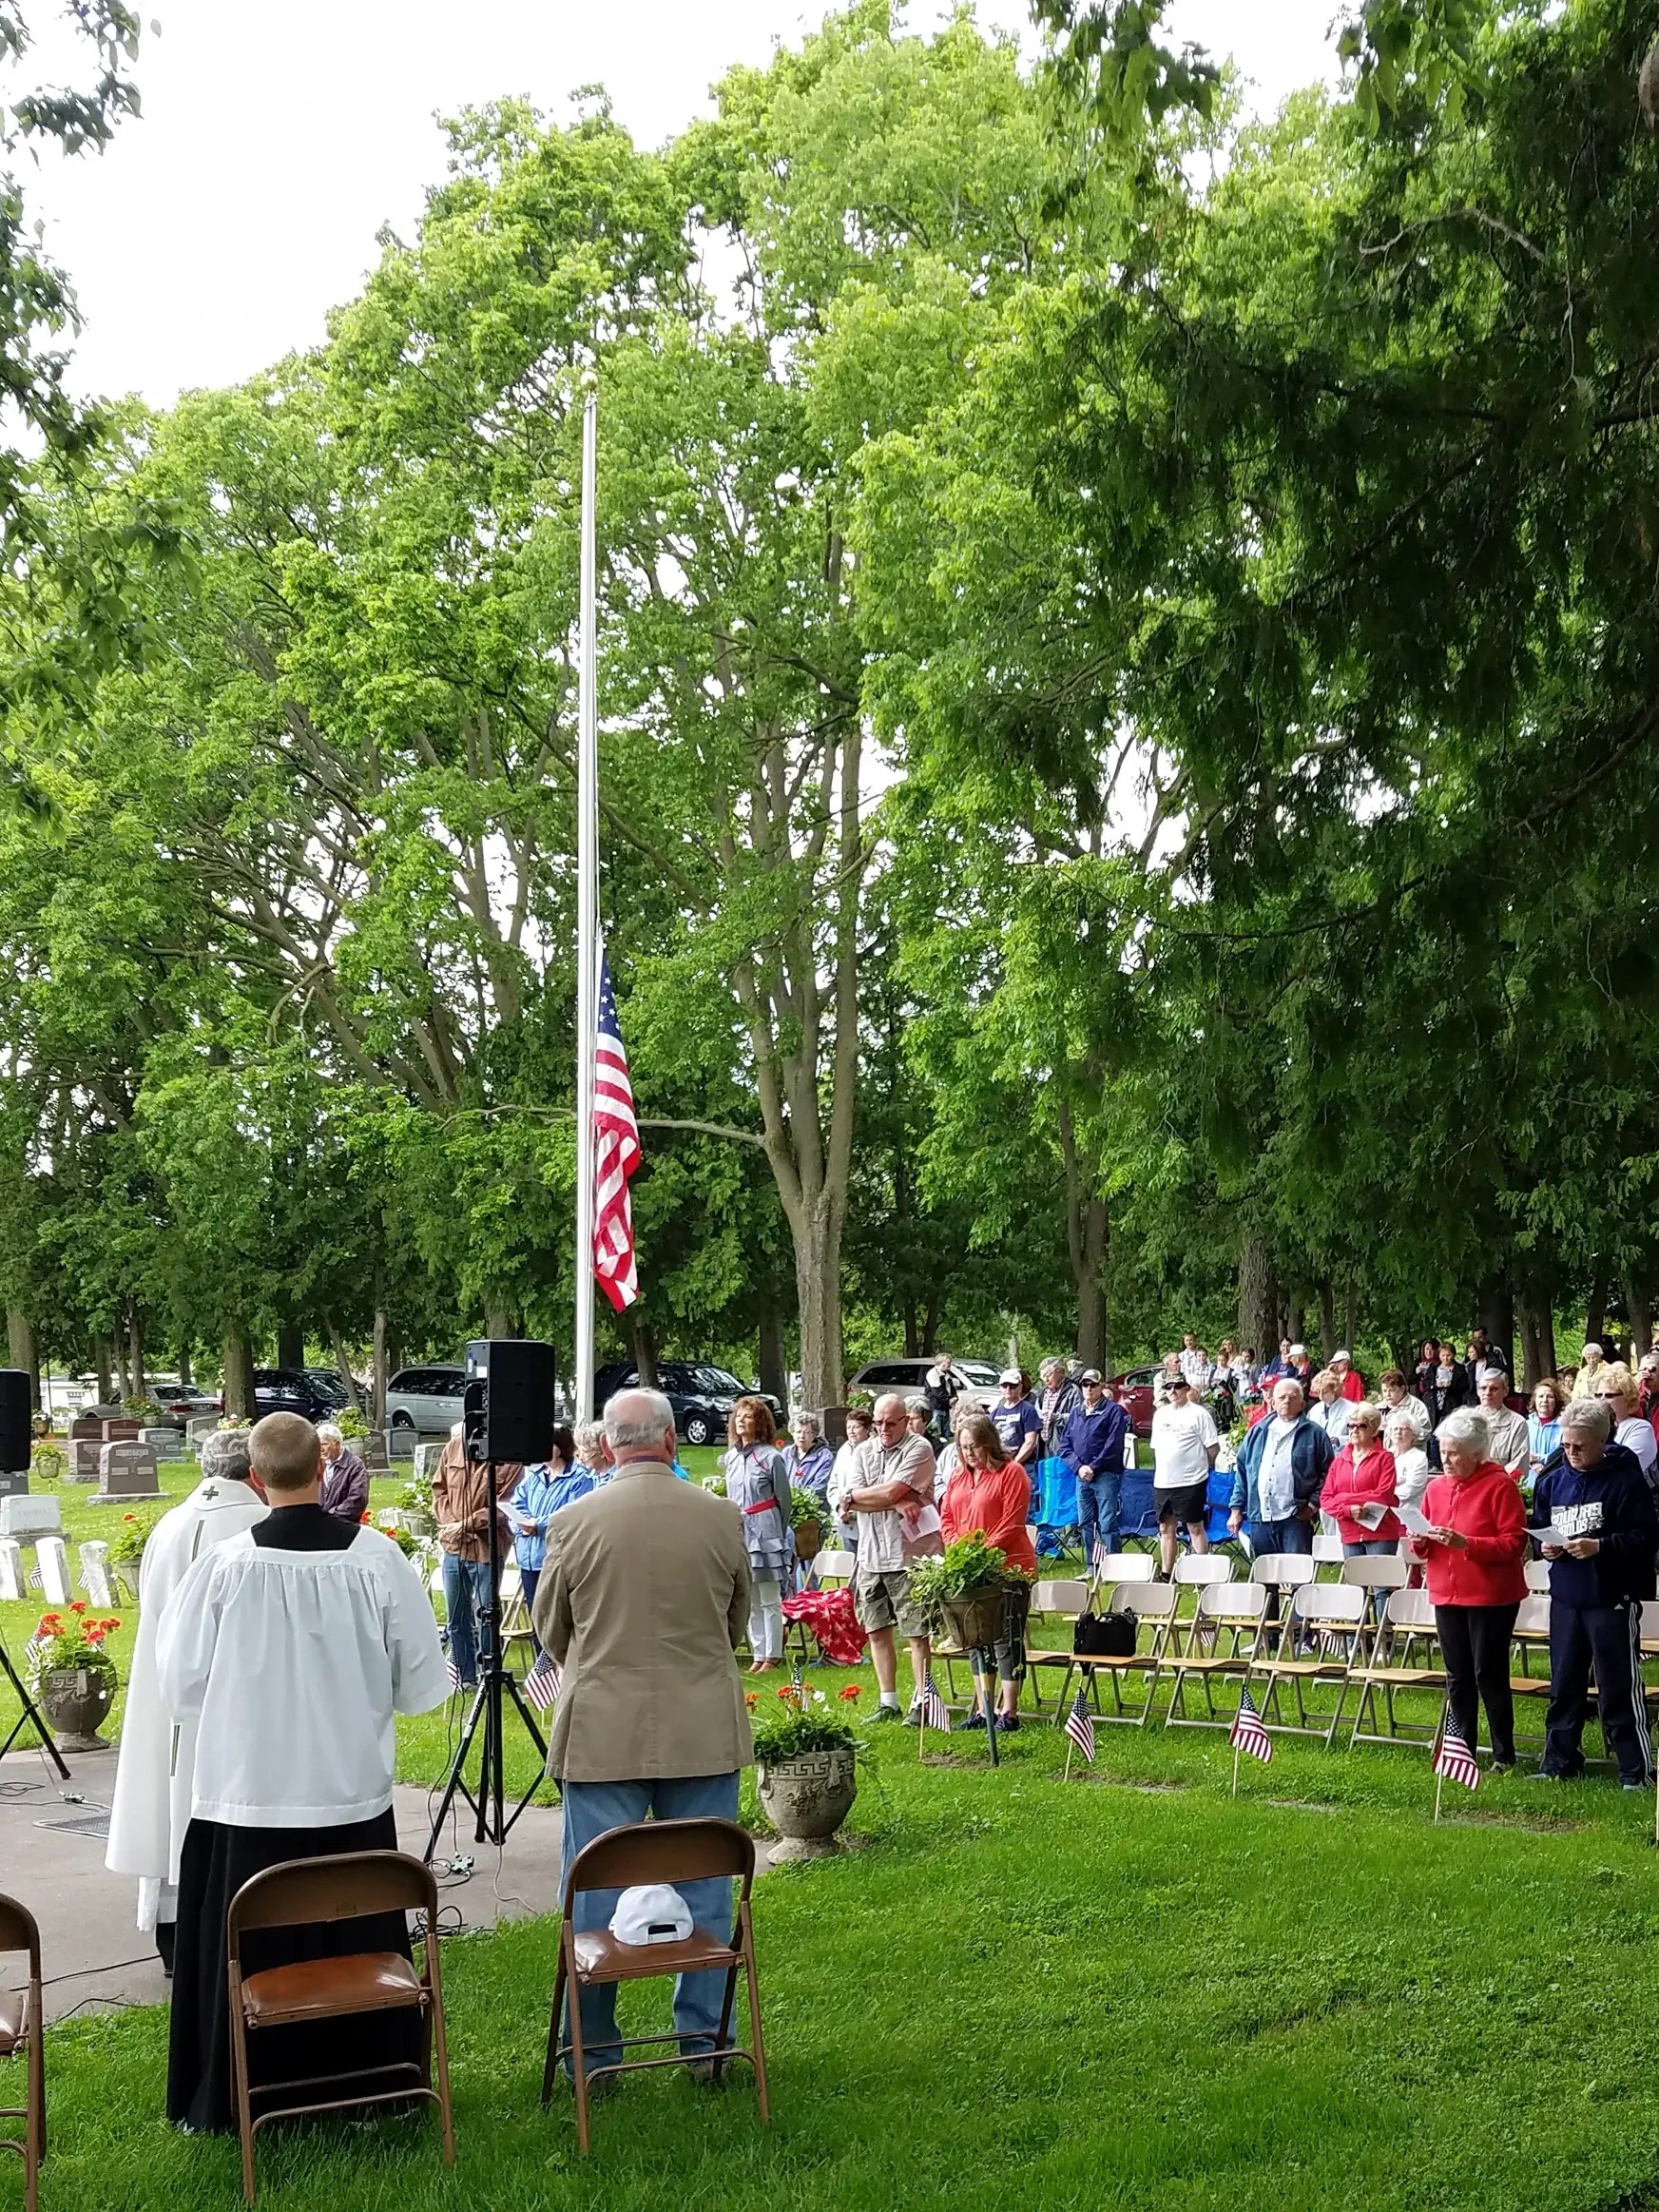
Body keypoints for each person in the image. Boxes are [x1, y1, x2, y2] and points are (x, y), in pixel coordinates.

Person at [155, 1410, 449, 2132]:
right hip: (345, 1797)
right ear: (324, 1468)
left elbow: (181, 1687)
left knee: (245, 1945)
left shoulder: (222, 1567)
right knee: (356, 1939)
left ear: (255, 1480)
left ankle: (238, 2096)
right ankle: (370, 2088)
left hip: (246, 1798)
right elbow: (419, 1684)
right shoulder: (378, 1559)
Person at [530, 1387, 752, 2083]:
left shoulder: (573, 1521)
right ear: (669, 1441)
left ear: (607, 1446)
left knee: (595, 1895)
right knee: (709, 1892)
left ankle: (593, 2054)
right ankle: (707, 2050)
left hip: (603, 1729)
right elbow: (737, 1625)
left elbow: (550, 1630)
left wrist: (601, 1668)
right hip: (701, 1724)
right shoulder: (719, 1517)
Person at [105, 1428, 271, 1976]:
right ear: (254, 1473)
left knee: (168, 1802)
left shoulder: (171, 1522)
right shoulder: (255, 1529)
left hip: (167, 1693)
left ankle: (172, 1932)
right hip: (234, 1700)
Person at [1531, 1395, 1659, 1786]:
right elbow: (1537, 1528)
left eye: (1580, 1446)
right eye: (1566, 1445)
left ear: (1601, 1443)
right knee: (1564, 1682)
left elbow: (1646, 1537)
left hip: (1611, 1597)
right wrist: (1546, 1547)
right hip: (1566, 1597)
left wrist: (1600, 1546)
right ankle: (1559, 1761)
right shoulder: (1553, 1481)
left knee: (1618, 1684)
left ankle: (1635, 1771)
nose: (1571, 1452)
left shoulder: (1625, 1479)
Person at [1409, 1407, 1529, 1774]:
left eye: (1454, 1453)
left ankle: (1503, 1754)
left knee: (1488, 1674)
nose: (1445, 1459)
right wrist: (1419, 1541)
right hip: (1446, 1592)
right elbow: (1425, 1543)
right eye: (1443, 1451)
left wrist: (1468, 1544)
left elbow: (1514, 1544)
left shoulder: (1499, 1485)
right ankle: (1463, 1749)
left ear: (1477, 1454)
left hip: (1491, 1595)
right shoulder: (1435, 1487)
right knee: (1457, 1675)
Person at [834, 1390, 939, 1723]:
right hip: (870, 1554)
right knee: (876, 1629)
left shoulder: (919, 1448)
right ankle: (888, 1700)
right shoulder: (863, 1451)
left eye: (890, 1423)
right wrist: (892, 1501)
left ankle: (922, 1702)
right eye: (877, 1423)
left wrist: (876, 1497)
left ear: (906, 1421)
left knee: (916, 1632)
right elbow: (849, 1499)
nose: (882, 1429)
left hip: (907, 1555)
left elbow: (891, 1489)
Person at [939, 1414, 1036, 1735]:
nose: (969, 1453)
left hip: (1008, 1567)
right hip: (970, 1571)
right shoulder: (957, 1477)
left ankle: (1009, 1710)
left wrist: (982, 1553)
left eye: (975, 1447)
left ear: (989, 1444)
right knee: (976, 1638)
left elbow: (1012, 1521)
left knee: (1005, 1637)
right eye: (964, 1447)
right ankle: (983, 1707)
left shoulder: (1012, 1473)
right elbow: (948, 1517)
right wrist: (957, 1548)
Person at [433, 1420, 522, 1693]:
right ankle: (464, 1676)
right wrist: (452, 1526)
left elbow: (504, 1506)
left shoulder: (509, 1459)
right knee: (456, 1616)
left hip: (486, 1548)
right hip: (453, 1548)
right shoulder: (454, 1447)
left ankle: (488, 1674)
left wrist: (465, 1525)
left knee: (487, 1613)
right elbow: (439, 1490)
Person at [1227, 1377, 1335, 1562]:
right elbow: (1243, 1473)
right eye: (1282, 1397)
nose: (1286, 1401)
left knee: (1298, 1575)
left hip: (1295, 1517)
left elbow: (1330, 1473)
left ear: (1302, 1404)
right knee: (1265, 1576)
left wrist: (1312, 1504)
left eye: (1292, 1397)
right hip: (1260, 1517)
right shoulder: (1257, 1432)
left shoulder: (1314, 1434)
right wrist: (1236, 1509)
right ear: (1273, 1402)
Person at [722, 1396, 790, 1675]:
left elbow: (784, 1501)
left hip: (766, 1531)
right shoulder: (731, 1459)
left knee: (770, 1595)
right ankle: (758, 1652)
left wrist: (776, 1532)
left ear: (758, 1422)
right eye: (738, 1415)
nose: (741, 1420)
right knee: (749, 1597)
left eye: (747, 1416)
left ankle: (773, 1655)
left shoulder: (771, 1458)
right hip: (740, 1531)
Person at [507, 1424, 586, 1647]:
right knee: (536, 1617)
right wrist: (520, 1523)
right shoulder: (534, 1476)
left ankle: (557, 1671)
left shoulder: (579, 1478)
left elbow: (572, 1513)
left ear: (559, 1448)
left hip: (554, 1559)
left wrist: (538, 1525)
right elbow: (516, 1504)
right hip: (528, 1559)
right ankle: (540, 1674)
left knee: (555, 1619)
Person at [1057, 1368, 1129, 1565]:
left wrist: (1093, 1467)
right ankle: (1092, 1565)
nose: (1088, 1388)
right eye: (1085, 1384)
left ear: (1101, 1386)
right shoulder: (1076, 1412)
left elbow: (1114, 1445)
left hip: (1106, 1474)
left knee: (1107, 1522)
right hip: (1082, 1476)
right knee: (1085, 1522)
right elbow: (1064, 1446)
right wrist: (1079, 1467)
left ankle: (1115, 1566)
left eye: (1093, 1384)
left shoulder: (1113, 1411)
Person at [1150, 1371, 1217, 1577]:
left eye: (1177, 1386)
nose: (1173, 1391)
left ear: (1187, 1389)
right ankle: (1166, 1574)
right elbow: (1155, 1447)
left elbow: (1213, 1448)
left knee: (1195, 1527)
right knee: (1165, 1528)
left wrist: (1201, 1469)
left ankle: (1203, 1574)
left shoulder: (1199, 1413)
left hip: (1191, 1480)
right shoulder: (1160, 1414)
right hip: (1163, 1481)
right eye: (1169, 1387)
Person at [1321, 1402, 1399, 1559]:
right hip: (1349, 1533)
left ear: (1374, 1430)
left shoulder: (1385, 1458)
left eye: (1361, 1426)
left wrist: (1342, 1498)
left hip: (1380, 1533)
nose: (1354, 1430)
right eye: (1351, 1426)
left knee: (1382, 1583)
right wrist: (1347, 1510)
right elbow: (1325, 1500)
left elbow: (1383, 1496)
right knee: (1354, 1584)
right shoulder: (1339, 1461)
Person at [1594, 1363, 1659, 1480]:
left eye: (1609, 1395)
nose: (1602, 1400)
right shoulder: (1591, 1428)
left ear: (1627, 1398)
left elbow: (1624, 1468)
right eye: (1598, 1395)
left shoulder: (1640, 1428)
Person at [828, 1407, 873, 1548]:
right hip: (846, 1520)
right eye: (848, 1427)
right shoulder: (844, 1450)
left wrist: (856, 1508)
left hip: (868, 1519)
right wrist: (839, 1507)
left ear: (867, 1429)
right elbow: (833, 1484)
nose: (851, 1431)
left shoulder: (874, 1450)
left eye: (856, 1427)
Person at [1474, 1368, 1529, 1476]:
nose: (1487, 1393)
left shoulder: (1518, 1424)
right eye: (1483, 1388)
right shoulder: (1467, 1419)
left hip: (1501, 1486)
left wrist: (1492, 1481)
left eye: (1493, 1389)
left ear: (1505, 1391)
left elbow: (1518, 1466)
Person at [317, 1421, 370, 1526]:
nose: (320, 1449)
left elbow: (357, 1501)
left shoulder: (355, 1465)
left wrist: (330, 1516)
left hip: (343, 1528)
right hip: (319, 1527)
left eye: (324, 1444)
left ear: (337, 1444)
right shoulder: (317, 1463)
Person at [990, 1368, 1042, 1471]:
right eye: (1004, 1386)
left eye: (1012, 1386)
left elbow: (1030, 1443)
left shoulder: (1028, 1410)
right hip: (1000, 1465)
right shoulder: (995, 1412)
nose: (1008, 1389)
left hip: (1024, 1466)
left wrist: (1014, 1463)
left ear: (1020, 1387)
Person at [781, 1412, 835, 1506]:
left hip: (813, 1508)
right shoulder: (786, 1453)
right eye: (798, 1432)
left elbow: (820, 1486)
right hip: (788, 1506)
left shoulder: (824, 1456)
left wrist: (798, 1500)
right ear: (792, 1433)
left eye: (806, 1432)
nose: (802, 1436)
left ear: (814, 1434)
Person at [1387, 1410, 1432, 1517]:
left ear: (1414, 1434)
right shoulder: (1385, 1454)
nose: (1398, 1432)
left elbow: (1410, 1490)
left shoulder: (1419, 1457)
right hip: (1385, 1513)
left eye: (1403, 1429)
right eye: (1395, 1429)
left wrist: (1384, 1495)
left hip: (1407, 1514)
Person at [1037, 1357, 1081, 1459]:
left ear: (1060, 1372)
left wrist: (1057, 1417)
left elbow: (1079, 1418)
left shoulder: (1072, 1391)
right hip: (1046, 1448)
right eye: (1043, 1377)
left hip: (1066, 1448)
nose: (1046, 1380)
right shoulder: (1043, 1393)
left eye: (1048, 1375)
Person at [1421, 1341, 1469, 1428]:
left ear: (1453, 1355)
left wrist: (1451, 1385)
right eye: (1443, 1355)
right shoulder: (1434, 1367)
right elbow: (1426, 1383)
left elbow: (1464, 1386)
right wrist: (1435, 1385)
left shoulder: (1459, 1369)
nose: (1445, 1358)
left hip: (1452, 1403)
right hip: (1434, 1404)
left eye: (1448, 1355)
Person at [1527, 1378, 1565, 1483]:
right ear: (1534, 1400)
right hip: (1528, 1481)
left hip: (1554, 1479)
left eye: (1550, 1397)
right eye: (1540, 1396)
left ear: (1556, 1401)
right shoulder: (1525, 1425)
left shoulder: (1563, 1427)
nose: (1544, 1400)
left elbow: (1561, 1455)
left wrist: (1538, 1459)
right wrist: (1531, 1462)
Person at [1307, 1368, 1352, 1450]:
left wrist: (1340, 1440)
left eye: (1325, 1392)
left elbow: (1358, 1437)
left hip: (1341, 1455)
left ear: (1335, 1390)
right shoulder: (1315, 1410)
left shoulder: (1351, 1409)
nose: (1321, 1397)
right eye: (1318, 1392)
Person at [1378, 1368, 1430, 1439]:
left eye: (1392, 1390)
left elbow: (1425, 1432)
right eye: (1384, 1391)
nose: (1387, 1394)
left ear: (1402, 1389)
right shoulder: (1377, 1408)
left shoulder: (1417, 1407)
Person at [923, 1350, 963, 1439]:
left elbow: (952, 1389)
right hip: (936, 1406)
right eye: (947, 1362)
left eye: (950, 1363)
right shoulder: (933, 1374)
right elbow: (937, 1392)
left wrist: (954, 1397)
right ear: (941, 1362)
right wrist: (949, 1400)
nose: (949, 1365)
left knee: (946, 1431)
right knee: (935, 1430)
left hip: (944, 1407)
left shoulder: (947, 1375)